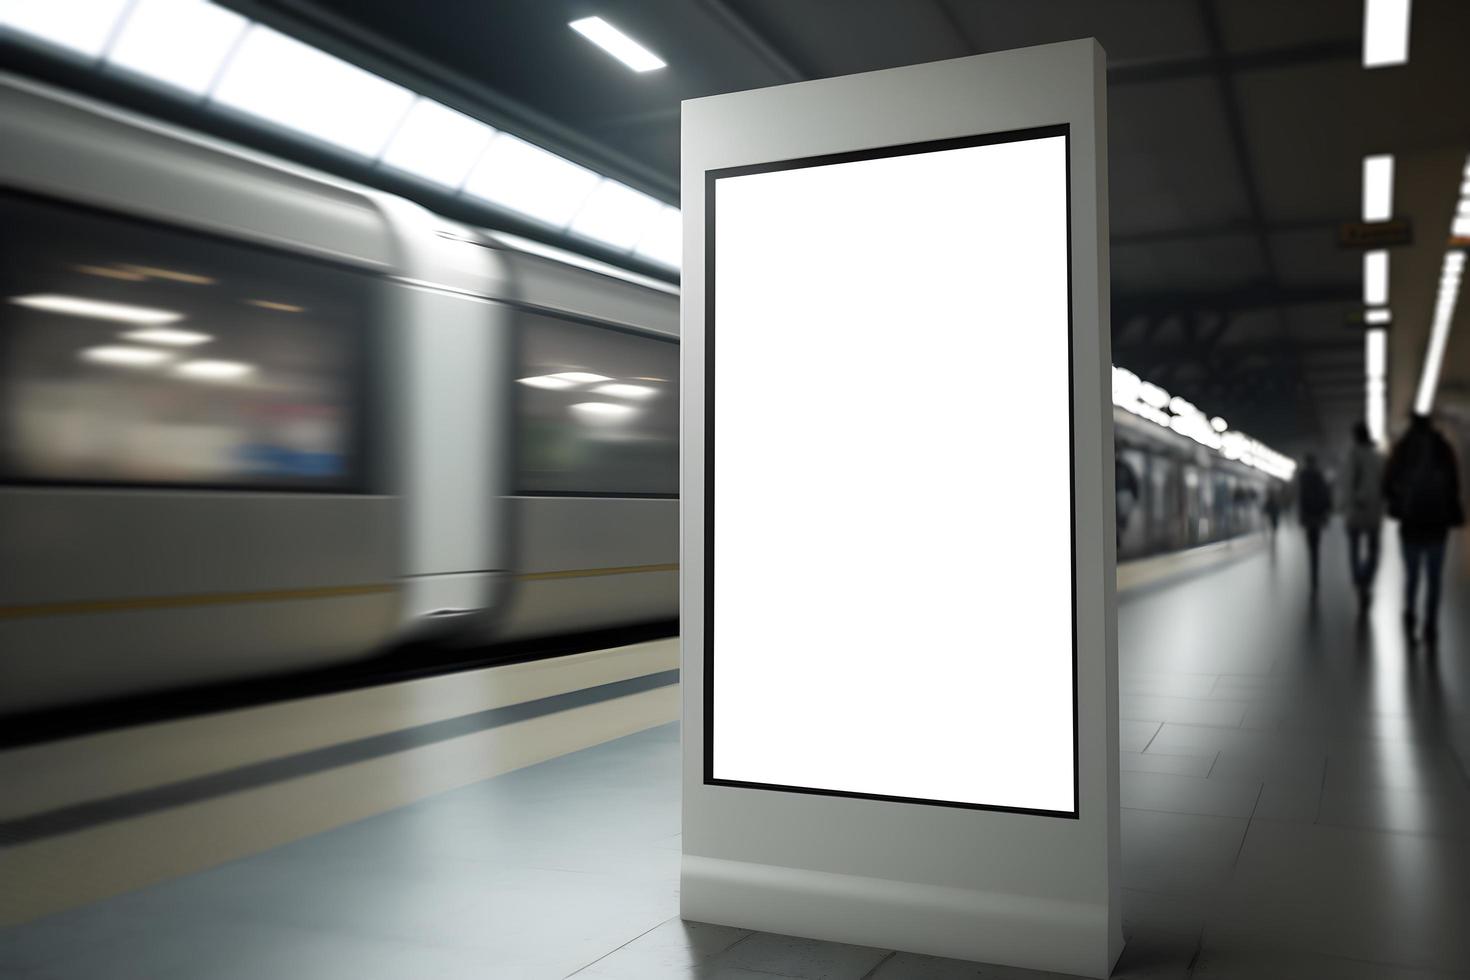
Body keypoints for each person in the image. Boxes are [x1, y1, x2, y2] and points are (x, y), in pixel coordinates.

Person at [1384, 413, 1464, 641]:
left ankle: (1409, 614)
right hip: (1437, 523)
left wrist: (1399, 503)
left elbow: (1388, 483)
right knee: (1434, 577)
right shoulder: (1443, 448)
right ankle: (1431, 624)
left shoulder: (1402, 448)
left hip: (1411, 523)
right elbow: (1454, 484)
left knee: (1412, 574)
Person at [1340, 422, 1385, 610]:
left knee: (1354, 550)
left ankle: (1359, 582)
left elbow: (1347, 484)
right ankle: (1366, 579)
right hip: (1374, 512)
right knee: (1374, 551)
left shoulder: (1351, 456)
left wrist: (1345, 505)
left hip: (1355, 512)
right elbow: (1384, 484)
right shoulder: (1378, 457)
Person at [1297, 454, 1332, 594]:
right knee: (1316, 545)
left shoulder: (1303, 476)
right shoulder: (1319, 475)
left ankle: (1313, 573)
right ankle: (1315, 574)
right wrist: (1325, 514)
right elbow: (1325, 495)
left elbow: (1301, 498)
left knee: (1310, 545)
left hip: (1308, 516)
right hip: (1317, 515)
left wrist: (1301, 517)